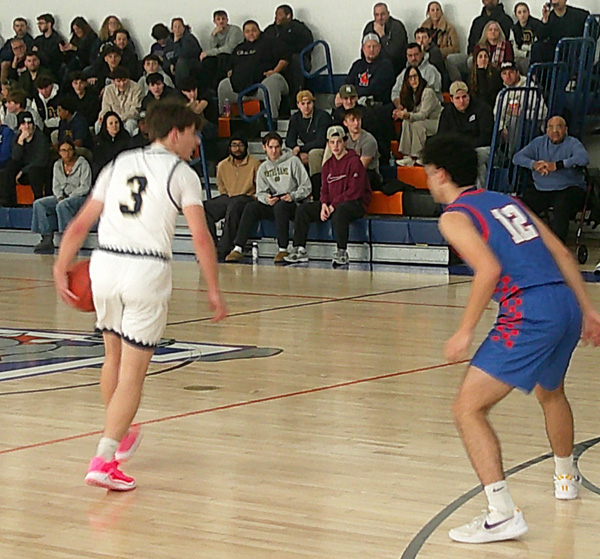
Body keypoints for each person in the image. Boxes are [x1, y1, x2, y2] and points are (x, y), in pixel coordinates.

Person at [421, 133, 600, 544]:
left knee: (467, 409)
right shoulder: (507, 200)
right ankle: (565, 478)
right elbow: (562, 253)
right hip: (564, 304)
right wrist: (588, 309)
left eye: (428, 173)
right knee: (551, 392)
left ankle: (501, 514)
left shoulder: (454, 216)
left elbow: (488, 270)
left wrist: (464, 331)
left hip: (530, 312)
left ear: (441, 173)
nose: (428, 181)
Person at [53, 100, 227, 491]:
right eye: (193, 133)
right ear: (176, 133)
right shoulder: (182, 174)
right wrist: (214, 288)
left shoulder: (119, 162)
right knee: (133, 374)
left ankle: (121, 431)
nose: (197, 142)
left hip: (104, 266)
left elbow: (81, 223)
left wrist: (60, 266)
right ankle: (104, 459)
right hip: (145, 271)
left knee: (112, 357)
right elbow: (201, 237)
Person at [284, 125, 371, 266]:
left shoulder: (354, 161)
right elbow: (324, 190)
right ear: (328, 144)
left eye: (338, 142)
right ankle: (299, 249)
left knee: (340, 211)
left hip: (355, 204)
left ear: (345, 142)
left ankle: (342, 252)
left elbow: (355, 191)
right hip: (332, 204)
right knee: (303, 209)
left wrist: (333, 205)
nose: (335, 146)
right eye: (332, 142)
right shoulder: (327, 165)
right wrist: (324, 204)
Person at [225, 132, 311, 264]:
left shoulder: (293, 161)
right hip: (274, 201)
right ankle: (238, 247)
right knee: (251, 207)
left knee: (281, 207)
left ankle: (283, 248)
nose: (274, 151)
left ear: (281, 147)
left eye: (277, 147)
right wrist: (267, 199)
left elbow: (306, 186)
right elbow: (260, 192)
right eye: (270, 147)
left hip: (292, 202)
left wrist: (293, 196)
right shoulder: (263, 167)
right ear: (264, 147)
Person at [513, 116, 588, 243]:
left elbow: (583, 158)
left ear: (565, 129)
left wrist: (558, 165)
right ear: (546, 130)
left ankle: (557, 245)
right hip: (542, 189)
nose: (555, 131)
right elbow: (517, 157)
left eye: (559, 127)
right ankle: (527, 242)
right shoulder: (538, 143)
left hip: (568, 188)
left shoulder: (572, 143)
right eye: (551, 127)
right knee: (522, 205)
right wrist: (534, 164)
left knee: (561, 205)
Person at [218, 20, 290, 120]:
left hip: (263, 85)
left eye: (253, 30)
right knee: (223, 85)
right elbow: (230, 67)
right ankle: (224, 120)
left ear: (259, 30)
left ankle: (272, 120)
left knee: (272, 81)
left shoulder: (270, 42)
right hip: (240, 89)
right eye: (247, 31)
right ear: (244, 34)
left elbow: (285, 58)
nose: (251, 33)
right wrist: (231, 73)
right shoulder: (239, 48)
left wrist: (274, 71)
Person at [31, 139, 92, 254]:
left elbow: (85, 186)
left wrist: (69, 197)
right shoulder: (57, 165)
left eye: (69, 150)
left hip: (79, 197)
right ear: (59, 152)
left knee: (63, 205)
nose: (67, 153)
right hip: (62, 197)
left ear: (74, 151)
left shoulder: (83, 163)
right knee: (39, 204)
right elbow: (56, 186)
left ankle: (70, 241)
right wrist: (59, 197)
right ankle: (46, 238)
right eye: (63, 150)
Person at [205, 136, 261, 260]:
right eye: (234, 145)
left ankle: (223, 249)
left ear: (246, 147)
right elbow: (221, 186)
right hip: (229, 197)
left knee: (235, 205)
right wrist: (226, 195)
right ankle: (211, 246)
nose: (237, 149)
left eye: (240, 145)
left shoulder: (255, 163)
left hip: (248, 198)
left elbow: (259, 186)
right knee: (205, 207)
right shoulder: (222, 165)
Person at [437, 81, 494, 186]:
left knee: (476, 156)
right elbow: (442, 137)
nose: (461, 101)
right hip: (457, 149)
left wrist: (465, 148)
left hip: (481, 148)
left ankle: (480, 191)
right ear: (451, 99)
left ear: (469, 96)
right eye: (457, 98)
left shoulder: (482, 109)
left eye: (464, 97)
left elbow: (486, 137)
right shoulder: (447, 113)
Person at [446, 0, 514, 83]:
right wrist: (474, 53)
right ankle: (459, 86)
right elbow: (471, 42)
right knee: (452, 59)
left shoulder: (506, 20)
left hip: (496, 61)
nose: (490, 0)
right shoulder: (477, 21)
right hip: (476, 57)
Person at [393, 67, 442, 166]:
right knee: (406, 122)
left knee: (417, 124)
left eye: (415, 76)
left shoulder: (428, 92)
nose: (413, 80)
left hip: (436, 121)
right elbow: (411, 111)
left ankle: (419, 156)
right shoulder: (411, 94)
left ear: (420, 77)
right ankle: (408, 156)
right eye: (410, 77)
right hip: (423, 120)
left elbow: (423, 114)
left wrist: (407, 115)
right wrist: (400, 113)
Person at [0, 110, 50, 205]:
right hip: (23, 171)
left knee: (33, 171)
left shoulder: (41, 138)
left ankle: (38, 202)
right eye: (23, 124)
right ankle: (10, 203)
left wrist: (23, 171)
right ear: (19, 127)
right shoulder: (17, 137)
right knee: (8, 168)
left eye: (29, 123)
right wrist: (20, 142)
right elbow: (15, 157)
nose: (27, 127)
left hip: (38, 171)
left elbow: (40, 160)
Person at [263, 5, 314, 95]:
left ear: (288, 15)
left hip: (296, 58)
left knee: (294, 60)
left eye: (279, 14)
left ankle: (297, 94)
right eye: (275, 14)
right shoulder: (270, 30)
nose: (276, 17)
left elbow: (307, 44)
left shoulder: (299, 28)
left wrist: (287, 52)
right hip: (277, 60)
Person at [285, 90, 331, 177]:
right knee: (288, 154)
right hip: (305, 150)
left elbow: (321, 141)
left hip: (324, 148)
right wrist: (298, 152)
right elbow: (289, 140)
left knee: (313, 154)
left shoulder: (322, 116)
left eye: (309, 103)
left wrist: (301, 148)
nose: (306, 106)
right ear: (298, 105)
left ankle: (316, 182)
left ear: (313, 103)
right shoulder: (295, 118)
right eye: (303, 104)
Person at [344, 34, 395, 106]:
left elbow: (373, 89)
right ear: (363, 48)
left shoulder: (385, 65)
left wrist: (353, 93)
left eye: (374, 46)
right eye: (368, 46)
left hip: (377, 105)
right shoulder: (357, 65)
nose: (371, 49)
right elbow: (347, 84)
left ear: (379, 48)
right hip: (355, 102)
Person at [199, 10, 243, 90]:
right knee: (208, 61)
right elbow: (213, 48)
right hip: (221, 56)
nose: (221, 21)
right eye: (218, 19)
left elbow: (229, 49)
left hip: (235, 56)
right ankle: (206, 89)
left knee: (222, 57)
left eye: (223, 19)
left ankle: (217, 86)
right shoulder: (216, 31)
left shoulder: (235, 30)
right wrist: (213, 36)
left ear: (227, 20)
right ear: (214, 21)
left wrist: (208, 52)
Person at [362, 2, 409, 74]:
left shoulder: (397, 27)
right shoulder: (369, 27)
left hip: (395, 69)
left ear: (388, 14)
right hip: (373, 69)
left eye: (382, 14)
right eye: (377, 15)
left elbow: (394, 53)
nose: (380, 18)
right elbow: (364, 51)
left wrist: (382, 36)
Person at [342, 107, 382, 190]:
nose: (356, 123)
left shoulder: (369, 140)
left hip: (369, 175)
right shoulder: (344, 140)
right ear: (345, 123)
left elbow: (361, 167)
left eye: (358, 120)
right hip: (349, 173)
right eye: (352, 120)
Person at [96, 67, 142, 136]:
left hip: (128, 119)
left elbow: (135, 110)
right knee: (98, 124)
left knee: (130, 124)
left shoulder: (136, 88)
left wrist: (119, 119)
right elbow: (105, 107)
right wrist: (103, 116)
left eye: (124, 80)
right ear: (113, 81)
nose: (122, 84)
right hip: (112, 119)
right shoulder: (108, 89)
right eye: (118, 81)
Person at [162, 18, 202, 87]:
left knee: (181, 63)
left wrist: (176, 42)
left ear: (183, 27)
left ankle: (181, 88)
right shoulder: (169, 41)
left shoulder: (189, 39)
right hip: (173, 67)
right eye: (175, 27)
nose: (177, 29)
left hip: (189, 64)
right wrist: (170, 64)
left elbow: (184, 54)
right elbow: (165, 56)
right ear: (172, 29)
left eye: (179, 26)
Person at [92, 111, 130, 178]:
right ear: (106, 127)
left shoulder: (126, 138)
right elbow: (98, 162)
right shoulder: (99, 141)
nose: (114, 126)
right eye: (111, 123)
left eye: (116, 122)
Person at [509, 3, 542, 74]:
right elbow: (514, 50)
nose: (522, 15)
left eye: (524, 11)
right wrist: (525, 53)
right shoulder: (514, 29)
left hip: (534, 56)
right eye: (519, 12)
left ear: (528, 12)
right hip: (520, 56)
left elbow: (537, 44)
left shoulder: (537, 25)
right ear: (516, 15)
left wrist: (525, 48)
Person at [32, 13, 65, 79]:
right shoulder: (38, 39)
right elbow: (32, 52)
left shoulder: (57, 39)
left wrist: (38, 52)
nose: (39, 26)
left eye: (41, 23)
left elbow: (50, 58)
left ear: (49, 24)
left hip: (52, 70)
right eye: (38, 24)